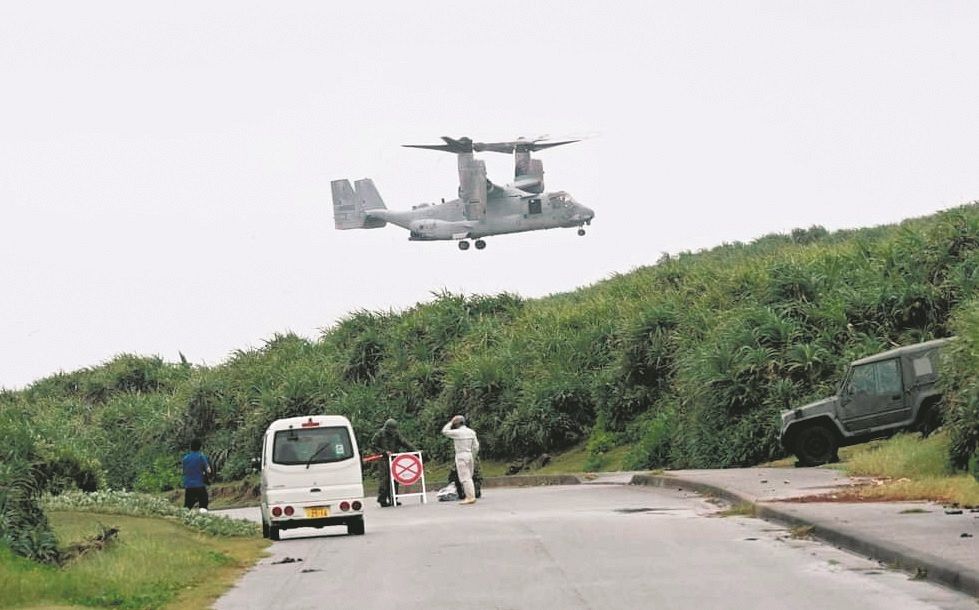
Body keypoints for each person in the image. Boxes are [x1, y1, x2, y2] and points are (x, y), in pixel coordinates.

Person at [370, 418, 417, 507]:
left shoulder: (396, 434)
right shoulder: (380, 434)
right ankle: (382, 500)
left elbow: (405, 442)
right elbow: (373, 446)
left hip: (394, 459)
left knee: (395, 479)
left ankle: (393, 498)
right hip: (383, 460)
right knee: (384, 479)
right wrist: (384, 452)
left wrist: (415, 451)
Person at [441, 415, 479, 505]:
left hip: (461, 455)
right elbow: (476, 446)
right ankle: (471, 496)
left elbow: (444, 431)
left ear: (456, 423)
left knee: (465, 478)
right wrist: (473, 455)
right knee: (469, 476)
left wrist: (451, 422)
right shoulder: (471, 432)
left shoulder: (457, 432)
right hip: (469, 454)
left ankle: (470, 497)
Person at [182, 438, 212, 511]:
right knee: (203, 505)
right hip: (199, 485)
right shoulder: (201, 457)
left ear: (190, 447)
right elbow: (209, 470)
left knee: (187, 506)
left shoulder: (185, 458)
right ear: (200, 447)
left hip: (188, 485)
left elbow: (184, 471)